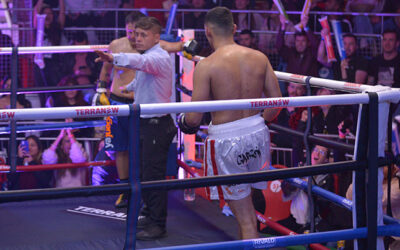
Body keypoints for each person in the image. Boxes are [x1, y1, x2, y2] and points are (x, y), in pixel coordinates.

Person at [177, 7, 282, 239]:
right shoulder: (259, 57)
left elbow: (194, 118)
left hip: (226, 142)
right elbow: (276, 104)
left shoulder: (207, 65)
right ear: (234, 28)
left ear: (207, 31)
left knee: (246, 220)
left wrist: (182, 121)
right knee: (249, 211)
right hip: (258, 134)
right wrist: (255, 123)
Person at [96, 11, 192, 209]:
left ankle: (147, 203)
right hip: (117, 102)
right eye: (132, 33)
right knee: (119, 148)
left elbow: (145, 59)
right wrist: (101, 88)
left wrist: (187, 45)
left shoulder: (154, 50)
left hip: (142, 108)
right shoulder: (117, 44)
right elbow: (107, 68)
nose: (135, 38)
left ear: (152, 36)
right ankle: (126, 191)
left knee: (142, 152)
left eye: (139, 34)